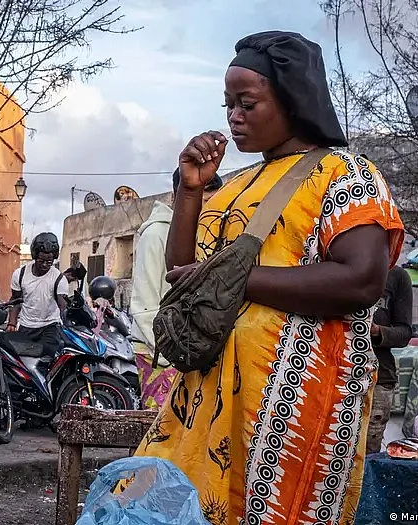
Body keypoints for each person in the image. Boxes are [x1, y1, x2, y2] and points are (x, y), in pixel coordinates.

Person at [136, 31, 403, 525]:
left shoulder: (346, 176)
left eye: (248, 103)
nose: (234, 116)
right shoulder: (236, 185)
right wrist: (192, 193)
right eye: (228, 105)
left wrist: (237, 280)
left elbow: (362, 279)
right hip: (206, 398)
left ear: (292, 101)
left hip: (288, 407)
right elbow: (185, 278)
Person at [129, 168, 222, 410]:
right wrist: (168, 354)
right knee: (160, 431)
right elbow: (145, 305)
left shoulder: (203, 234)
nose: (206, 210)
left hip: (187, 353)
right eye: (202, 202)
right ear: (178, 196)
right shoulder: (155, 234)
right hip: (158, 351)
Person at [367, 265, 413, 454]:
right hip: (337, 375)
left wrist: (377, 331)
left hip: (380, 377)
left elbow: (404, 334)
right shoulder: (337, 268)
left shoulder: (397, 276)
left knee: (370, 450)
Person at [7, 232, 69, 358]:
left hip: (50, 327)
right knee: (23, 363)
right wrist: (12, 323)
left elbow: (63, 305)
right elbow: (16, 301)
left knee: (45, 361)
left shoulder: (59, 279)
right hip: (26, 326)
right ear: (35, 257)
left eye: (49, 261)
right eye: (41, 261)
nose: (45, 265)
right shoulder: (20, 275)